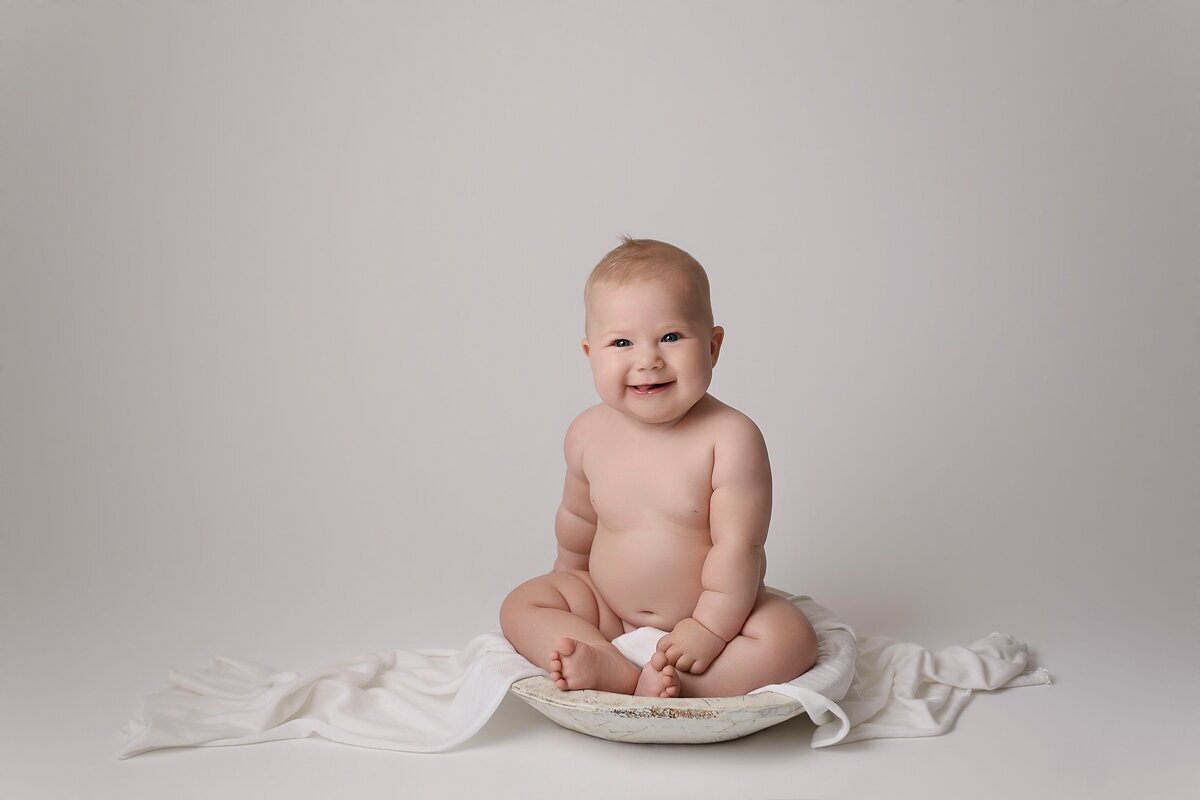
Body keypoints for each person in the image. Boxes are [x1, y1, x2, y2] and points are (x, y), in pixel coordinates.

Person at [500, 238, 818, 698]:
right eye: (621, 342)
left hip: (714, 615)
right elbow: (577, 519)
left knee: (790, 639)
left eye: (670, 337)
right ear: (591, 355)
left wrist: (709, 628)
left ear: (713, 346)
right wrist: (567, 582)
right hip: (610, 607)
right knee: (521, 604)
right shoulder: (587, 433)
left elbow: (738, 547)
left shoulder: (729, 438)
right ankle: (608, 662)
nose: (647, 359)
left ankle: (683, 683)